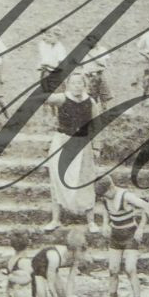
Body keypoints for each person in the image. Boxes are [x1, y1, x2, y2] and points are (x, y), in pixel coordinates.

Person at [41, 71, 98, 232]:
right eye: (73, 83)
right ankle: (55, 219)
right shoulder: (62, 98)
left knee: (85, 180)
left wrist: (97, 147)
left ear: (85, 85)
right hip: (62, 142)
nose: (77, 86)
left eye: (80, 83)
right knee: (57, 180)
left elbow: (97, 125)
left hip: (82, 144)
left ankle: (91, 221)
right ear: (68, 85)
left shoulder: (90, 102)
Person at [95, 174, 149, 297]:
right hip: (115, 235)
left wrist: (141, 228)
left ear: (111, 187)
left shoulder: (126, 196)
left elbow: (147, 206)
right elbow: (105, 209)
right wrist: (105, 224)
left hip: (130, 235)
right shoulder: (105, 197)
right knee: (113, 270)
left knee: (130, 268)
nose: (104, 197)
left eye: (105, 194)